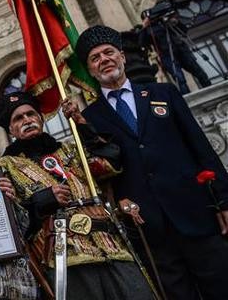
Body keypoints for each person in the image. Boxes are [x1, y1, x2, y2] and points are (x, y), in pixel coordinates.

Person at [77, 25, 228, 300]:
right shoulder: (89, 118)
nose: (104, 59)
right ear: (90, 70)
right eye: (95, 58)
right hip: (147, 226)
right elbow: (101, 172)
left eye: (109, 52)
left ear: (122, 57)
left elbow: (201, 147)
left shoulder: (162, 93)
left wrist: (224, 200)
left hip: (195, 212)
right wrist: (119, 200)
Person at [0, 90, 153, 300]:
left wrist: (82, 123)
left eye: (31, 114)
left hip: (110, 245)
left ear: (40, 118)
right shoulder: (6, 166)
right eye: (19, 119)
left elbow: (110, 163)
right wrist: (43, 200)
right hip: (64, 257)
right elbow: (14, 223)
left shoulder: (70, 150)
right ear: (11, 129)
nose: (27, 120)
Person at [140, 16, 211, 93]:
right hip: (167, 55)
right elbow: (142, 43)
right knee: (180, 80)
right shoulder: (149, 29)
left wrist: (176, 21)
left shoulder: (167, 21)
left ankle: (211, 90)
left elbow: (184, 31)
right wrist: (144, 27)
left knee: (199, 72)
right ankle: (188, 99)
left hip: (181, 50)